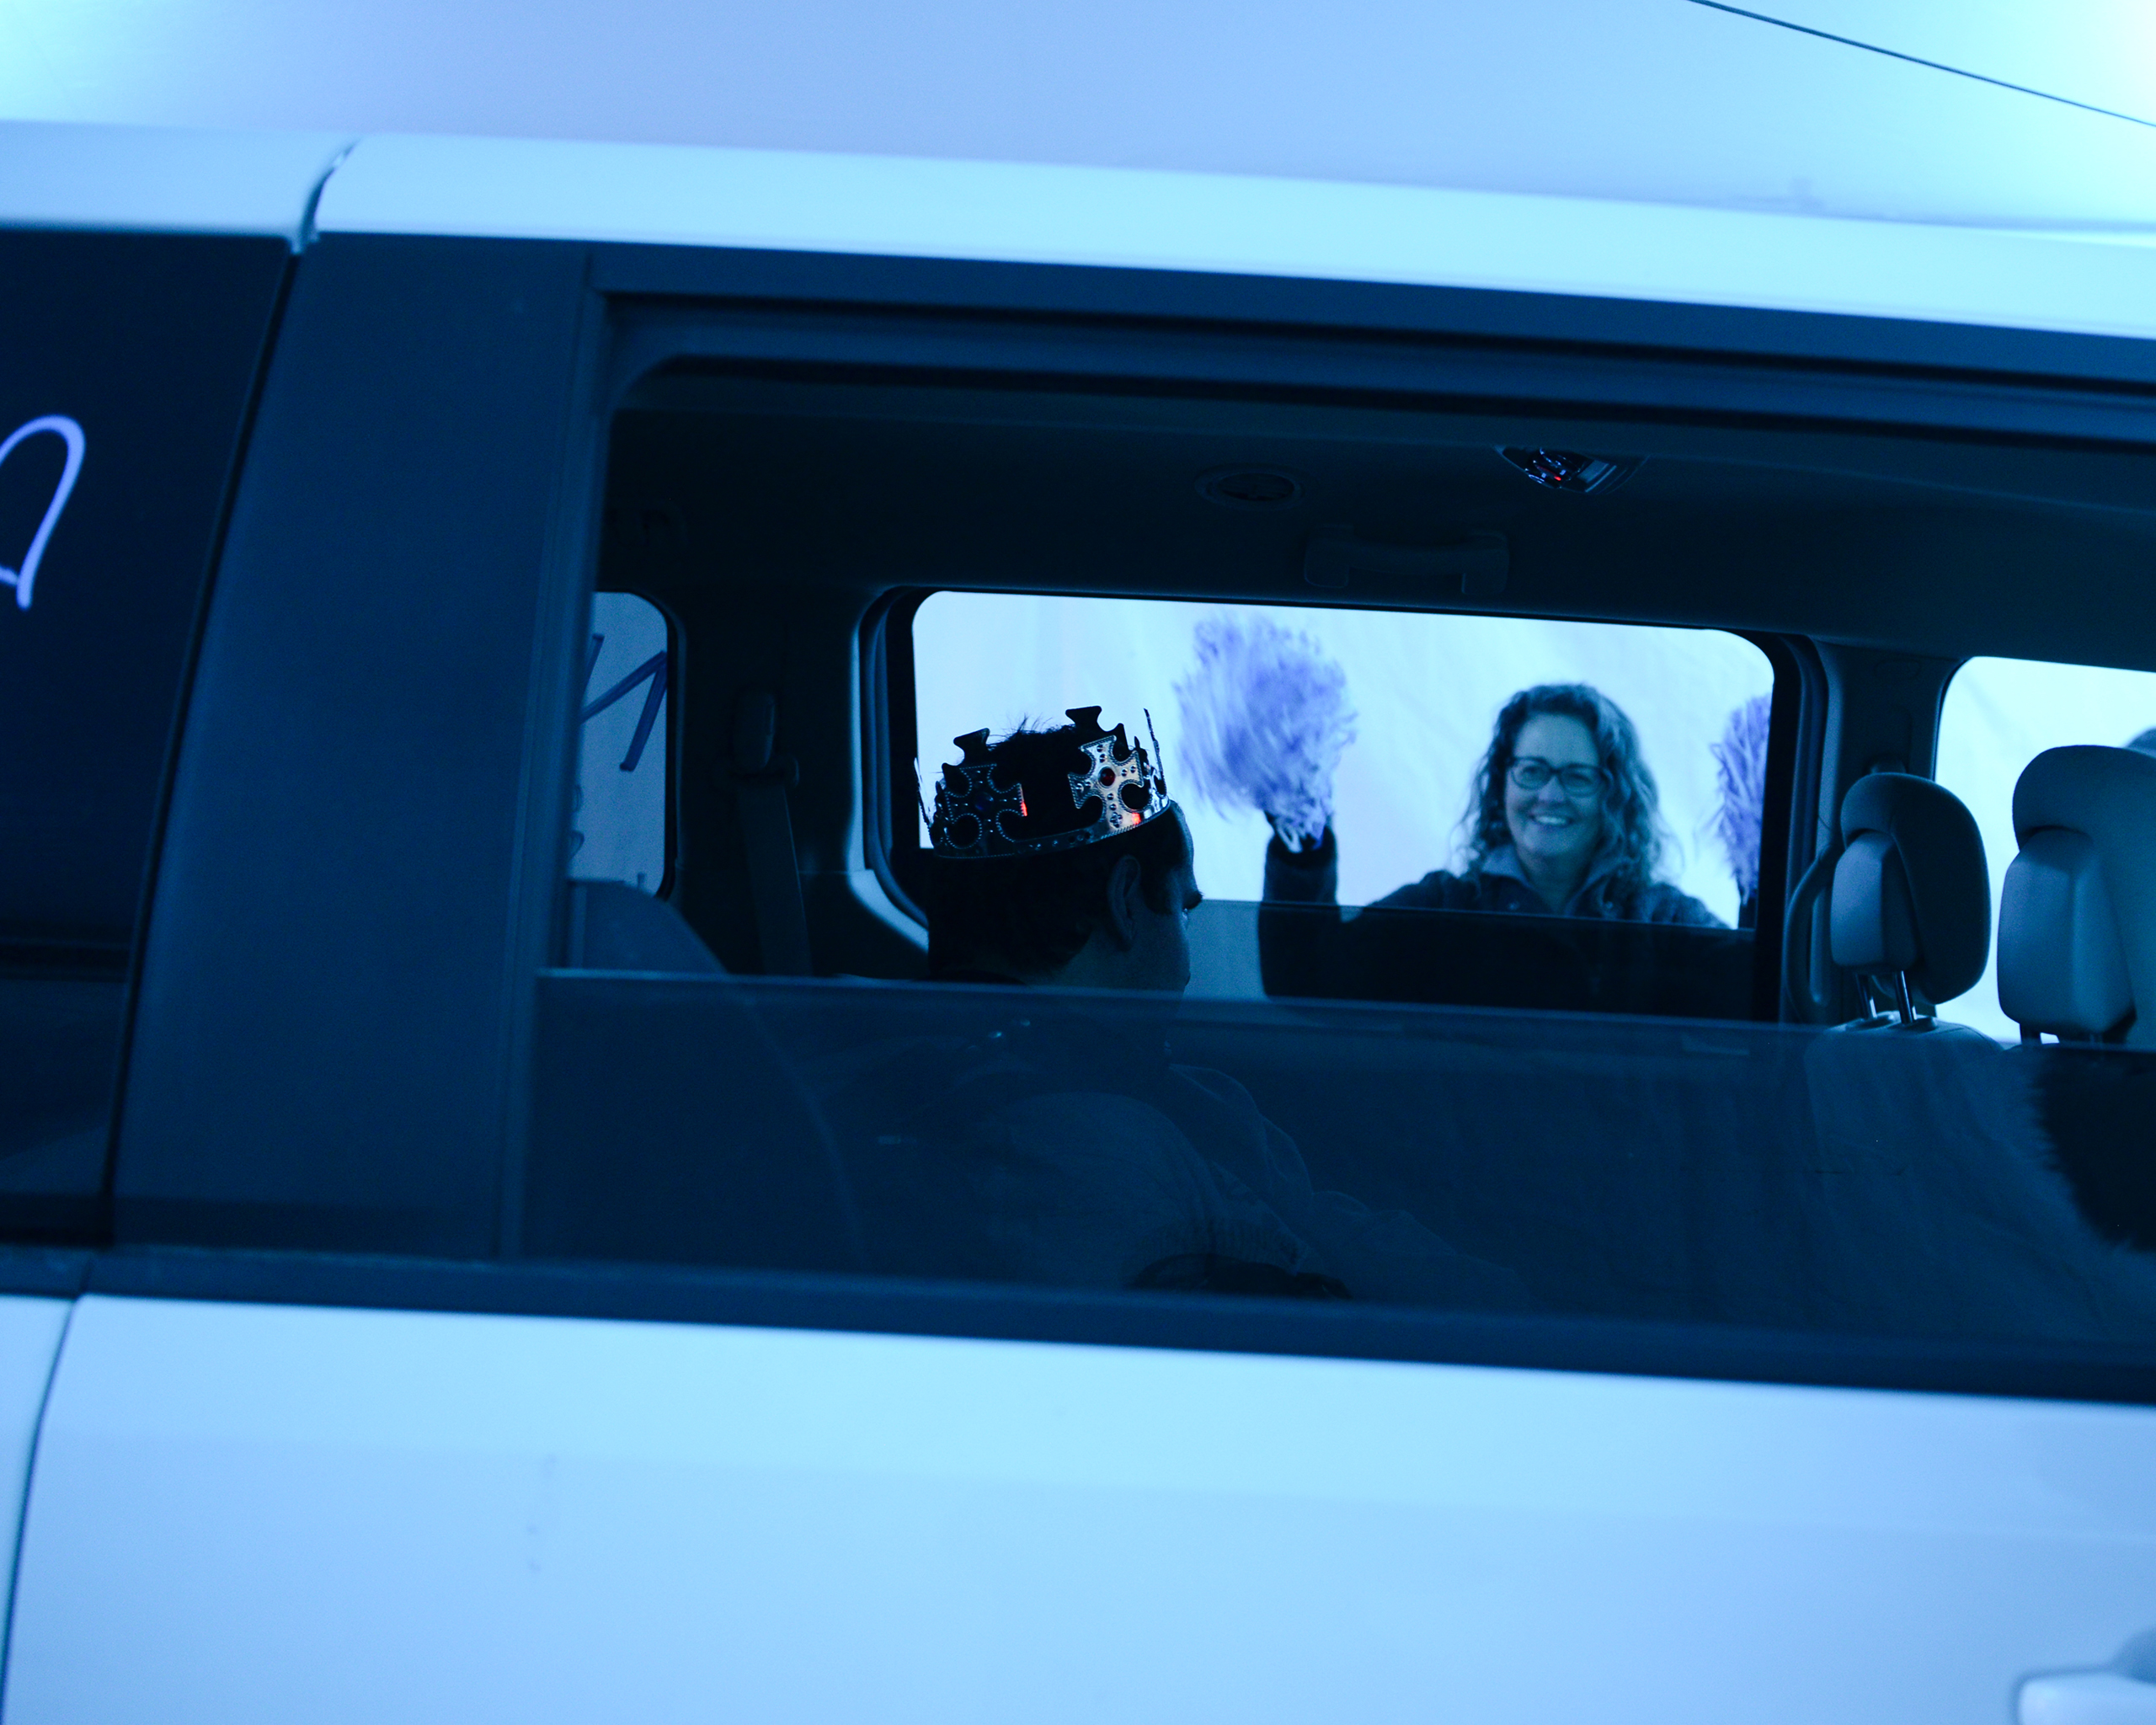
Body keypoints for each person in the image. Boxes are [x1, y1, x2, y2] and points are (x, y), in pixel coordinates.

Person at [833, 707, 1524, 1307]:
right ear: (1126, 903)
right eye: (1183, 911)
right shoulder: (1084, 1147)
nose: (1188, 964)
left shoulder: (871, 1064)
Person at [1266, 681, 1721, 926]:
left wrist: (1757, 875)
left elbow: (1753, 991)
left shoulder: (1663, 920)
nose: (1550, 795)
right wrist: (1303, 840)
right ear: (1502, 782)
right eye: (1532, 770)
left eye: (1577, 777)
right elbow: (1309, 977)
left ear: (1613, 795)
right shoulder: (1445, 909)